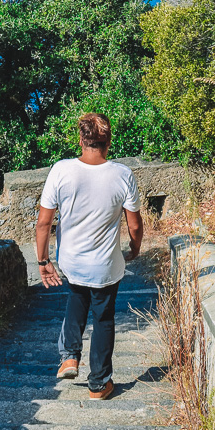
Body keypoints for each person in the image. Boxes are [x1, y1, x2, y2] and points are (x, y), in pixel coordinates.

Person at [35, 112, 144, 400]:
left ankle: (70, 356)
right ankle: (99, 384)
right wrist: (134, 248)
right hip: (106, 266)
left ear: (81, 140)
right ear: (108, 141)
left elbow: (44, 222)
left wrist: (43, 262)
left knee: (76, 298)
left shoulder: (61, 170)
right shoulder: (122, 174)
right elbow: (134, 224)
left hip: (71, 261)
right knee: (104, 317)